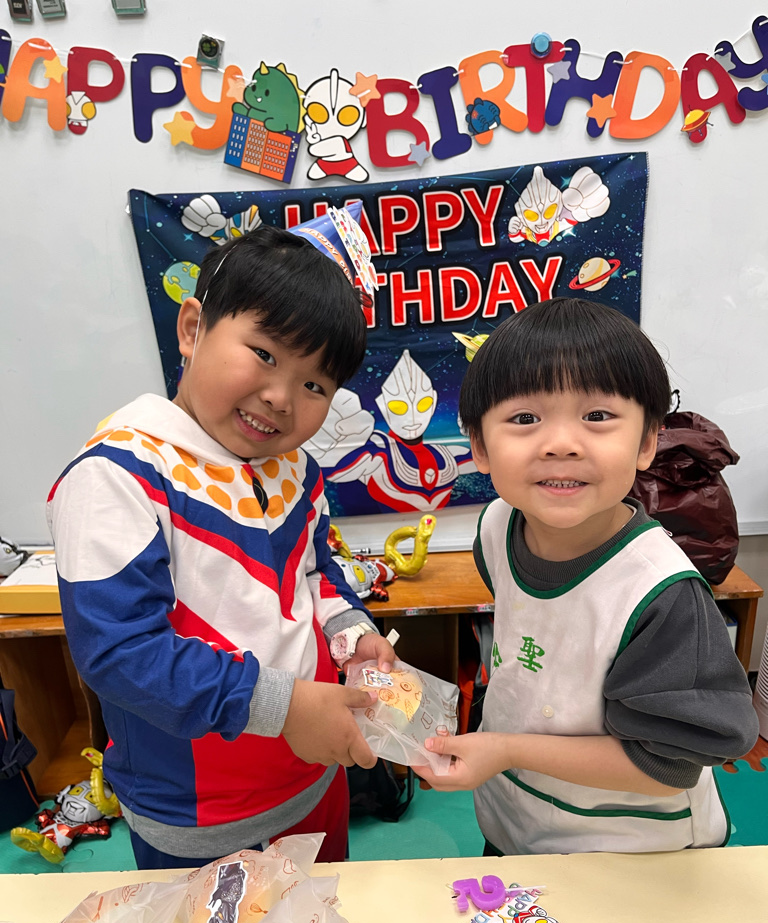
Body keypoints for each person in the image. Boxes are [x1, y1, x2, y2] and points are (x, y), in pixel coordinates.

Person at [47, 225, 395, 869]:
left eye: (316, 386)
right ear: (191, 329)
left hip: (314, 781)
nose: (281, 398)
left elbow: (316, 572)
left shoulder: (296, 469)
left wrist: (351, 631)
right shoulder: (117, 475)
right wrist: (286, 707)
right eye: (264, 353)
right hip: (200, 814)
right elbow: (121, 653)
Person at [415, 297, 758, 855]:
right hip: (519, 819)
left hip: (632, 849)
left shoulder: (661, 594)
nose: (561, 444)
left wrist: (506, 750)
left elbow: (666, 766)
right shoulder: (498, 525)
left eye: (597, 417)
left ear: (647, 442)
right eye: (525, 419)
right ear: (479, 446)